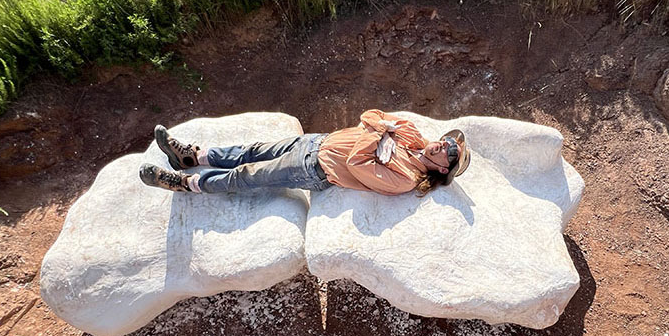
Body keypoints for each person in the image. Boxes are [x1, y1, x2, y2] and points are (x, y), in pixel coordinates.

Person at [139, 109, 470, 197]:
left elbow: (356, 163)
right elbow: (369, 115)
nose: (444, 143)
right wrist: (382, 129)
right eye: (448, 139)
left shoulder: (405, 179)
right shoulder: (412, 136)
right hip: (315, 141)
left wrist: (383, 132)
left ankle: (186, 184)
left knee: (248, 176)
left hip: (315, 169)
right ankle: (192, 157)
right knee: (249, 151)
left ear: (444, 169)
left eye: (450, 151)